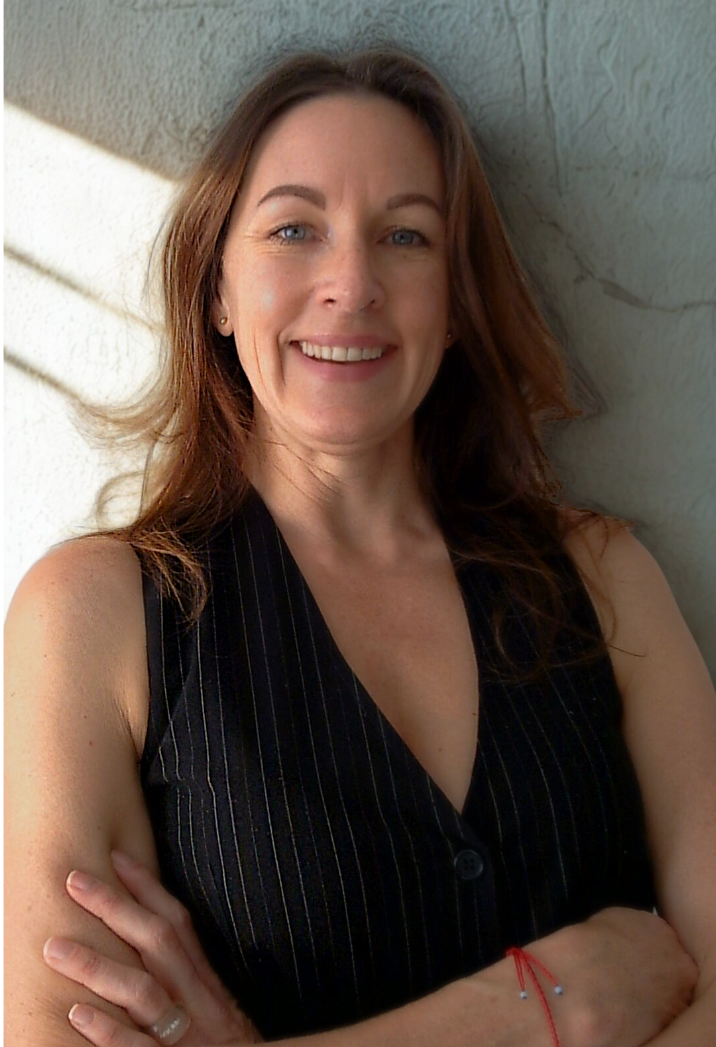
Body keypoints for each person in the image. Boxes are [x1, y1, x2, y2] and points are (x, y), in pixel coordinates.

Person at [5, 46, 715, 1047]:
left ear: (456, 302)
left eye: (406, 236)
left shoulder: (602, 580)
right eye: (293, 228)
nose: (352, 284)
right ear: (217, 290)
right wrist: (538, 1007)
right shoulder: (95, 614)